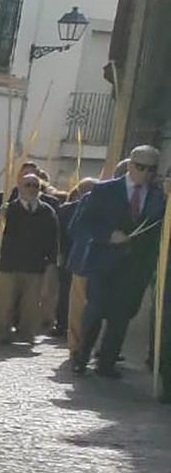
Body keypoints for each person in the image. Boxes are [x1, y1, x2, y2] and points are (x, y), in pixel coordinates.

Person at [69, 144, 166, 377]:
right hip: (103, 262)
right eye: (141, 167)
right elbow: (83, 223)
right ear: (130, 165)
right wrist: (107, 235)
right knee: (95, 311)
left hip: (135, 267)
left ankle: (107, 363)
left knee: (121, 316)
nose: (146, 173)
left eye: (151, 169)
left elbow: (159, 231)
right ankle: (81, 357)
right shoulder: (104, 190)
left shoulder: (159, 197)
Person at [0, 170, 61, 345]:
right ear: (19, 187)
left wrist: (51, 262)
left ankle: (27, 333)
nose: (32, 189)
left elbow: (53, 238)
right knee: (4, 302)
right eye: (28, 185)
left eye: (36, 186)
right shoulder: (9, 208)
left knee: (31, 304)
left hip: (34, 265)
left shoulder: (47, 211)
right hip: (8, 264)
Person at [55, 179, 94, 345]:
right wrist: (60, 253)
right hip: (69, 255)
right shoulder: (66, 210)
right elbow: (61, 233)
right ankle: (63, 324)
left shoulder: (99, 208)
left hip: (90, 259)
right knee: (65, 292)